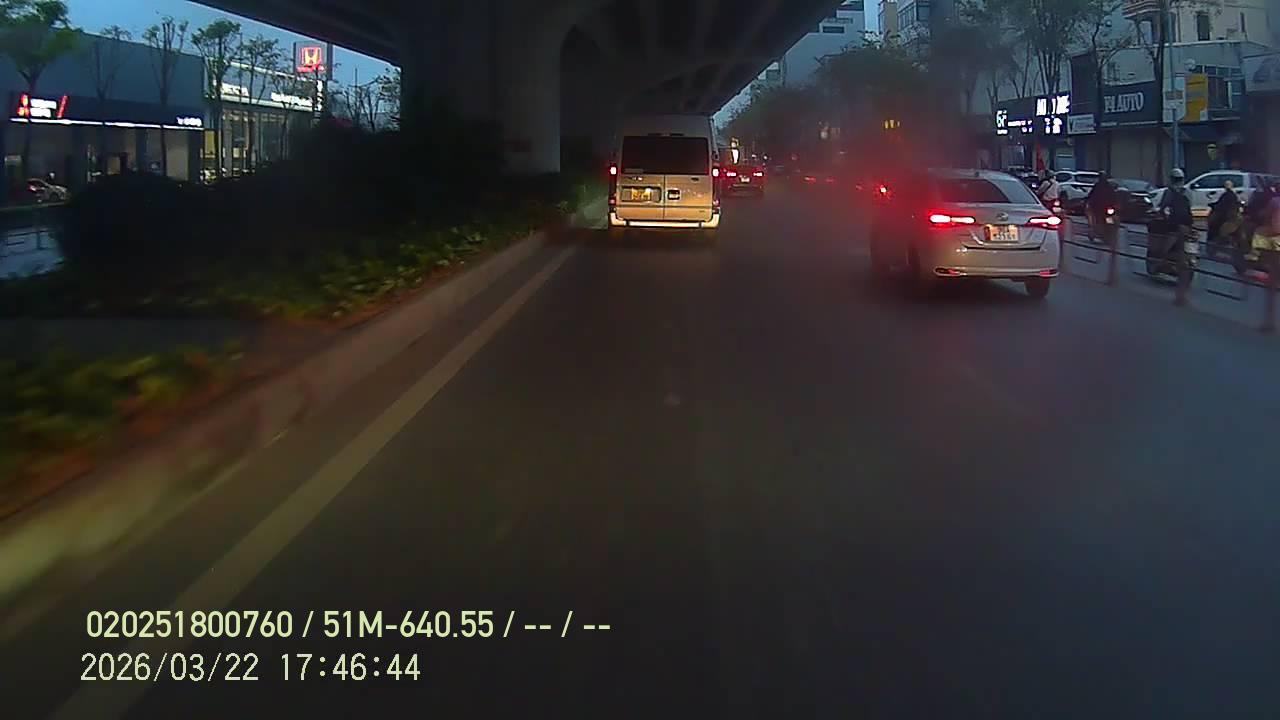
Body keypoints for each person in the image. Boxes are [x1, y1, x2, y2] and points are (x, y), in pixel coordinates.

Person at [1085, 171, 1118, 239]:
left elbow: (1091, 195)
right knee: (1097, 218)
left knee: (1098, 218)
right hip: (1101, 206)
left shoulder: (1100, 186)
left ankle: (1100, 230)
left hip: (1100, 207)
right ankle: (1098, 230)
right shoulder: (1106, 186)